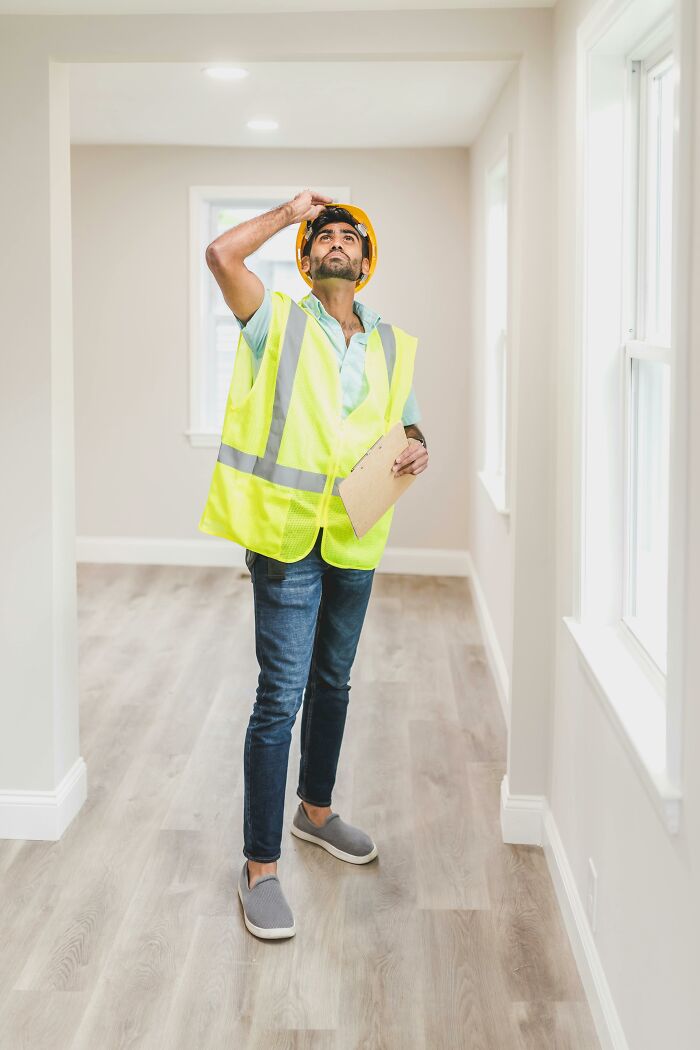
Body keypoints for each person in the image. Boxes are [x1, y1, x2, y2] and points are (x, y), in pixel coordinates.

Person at [200, 189, 429, 939]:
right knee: (280, 698)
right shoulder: (276, 323)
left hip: (358, 534)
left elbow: (406, 417)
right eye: (324, 236)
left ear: (365, 263)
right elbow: (220, 254)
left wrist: (417, 445)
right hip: (288, 537)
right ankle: (259, 867)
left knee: (334, 681)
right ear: (307, 256)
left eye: (347, 238)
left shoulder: (392, 343)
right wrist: (292, 210)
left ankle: (316, 811)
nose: (336, 242)